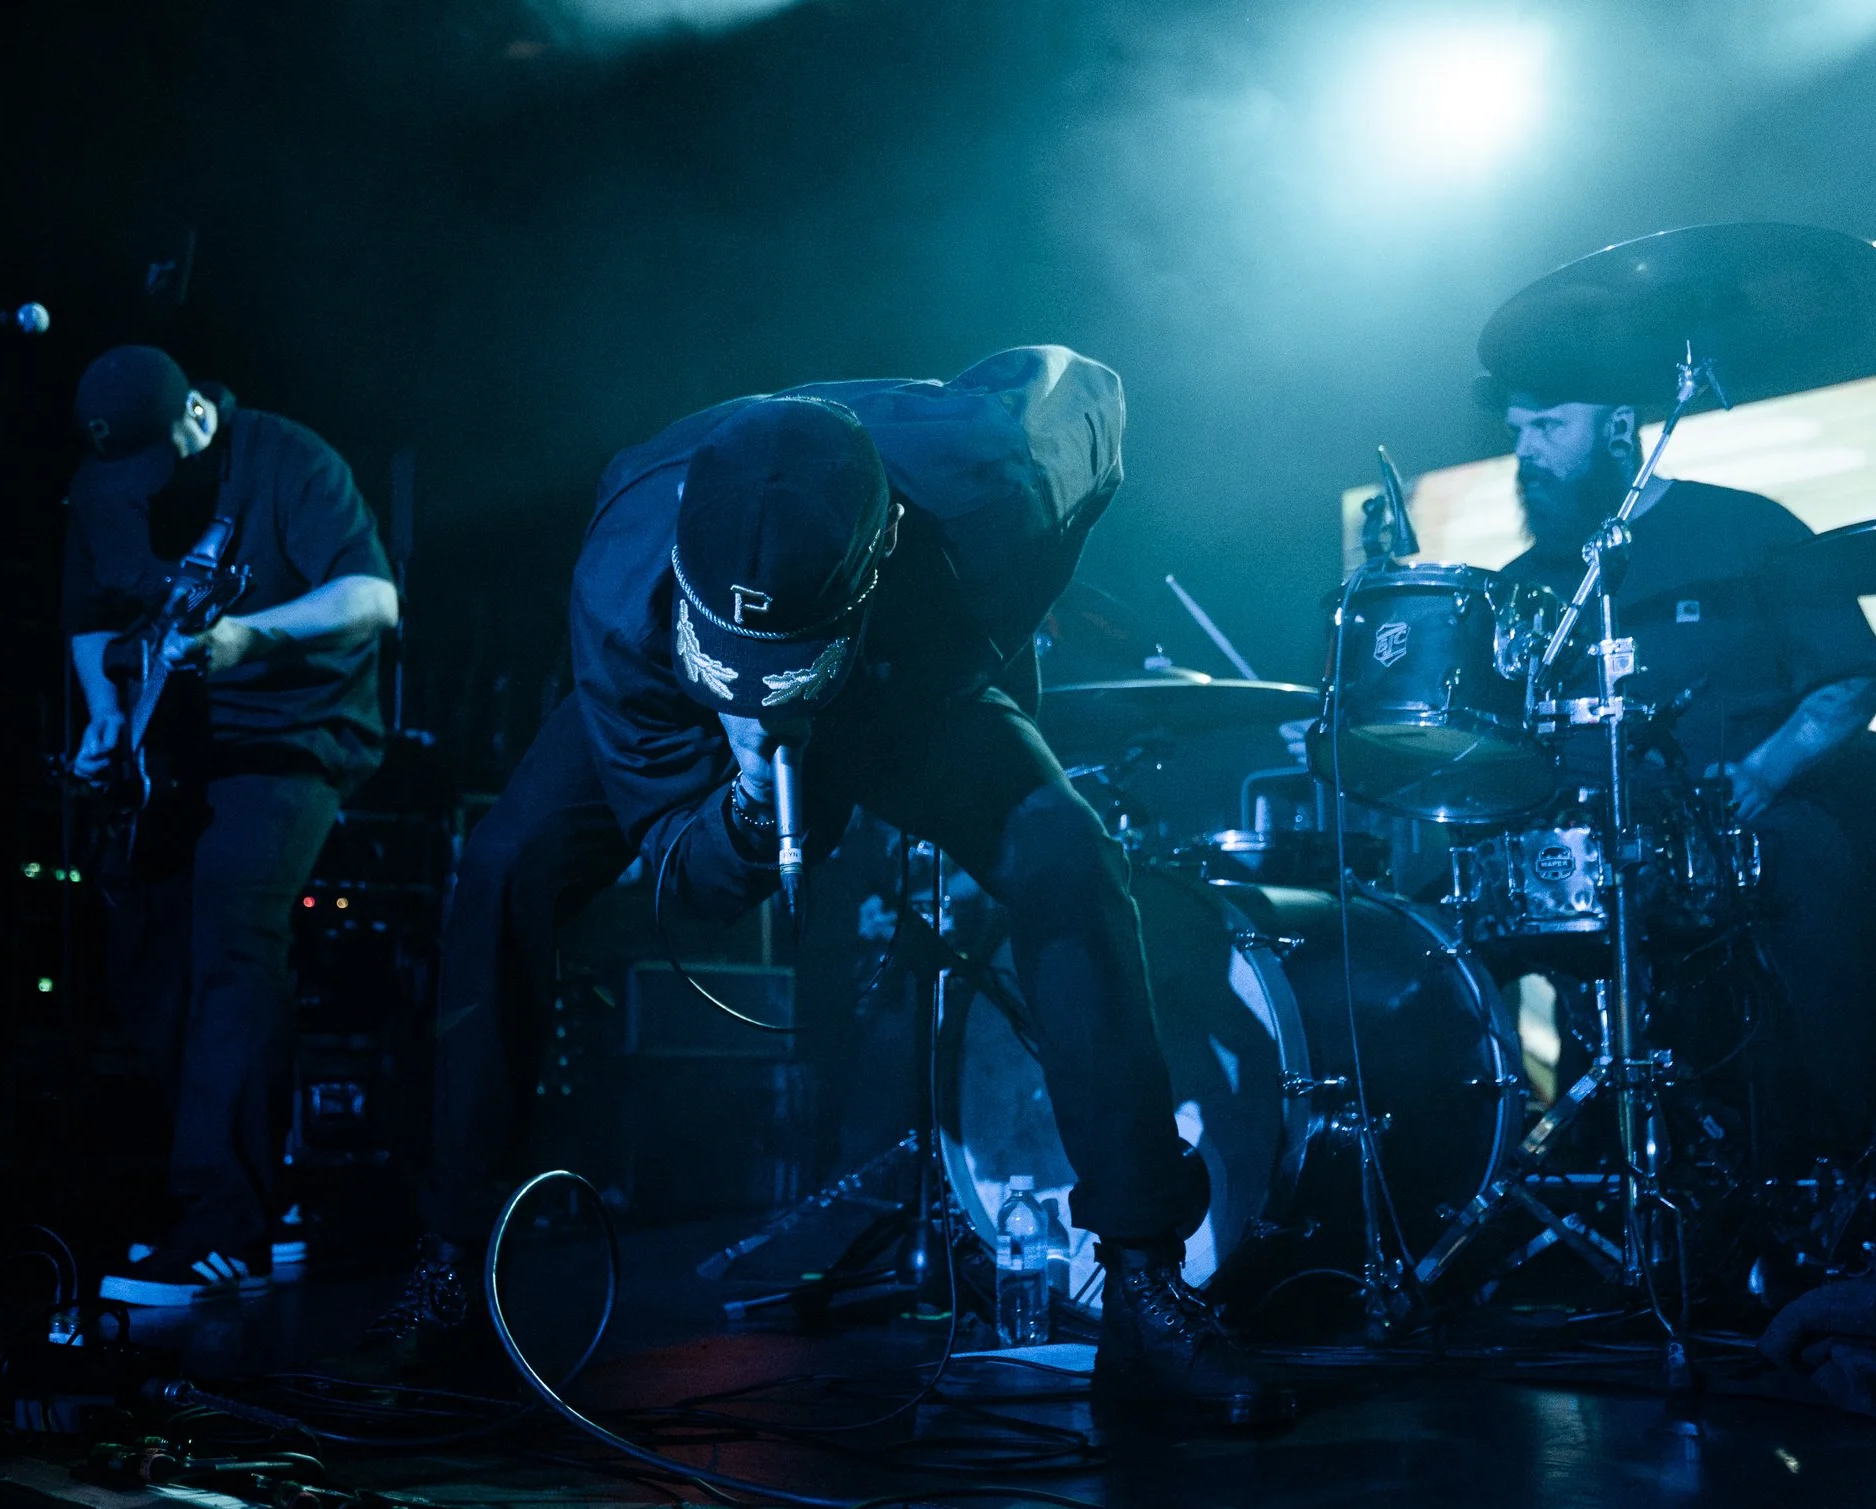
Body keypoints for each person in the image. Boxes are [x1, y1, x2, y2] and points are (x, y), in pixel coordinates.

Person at [403, 346, 1275, 1420]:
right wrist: (742, 805)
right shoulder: (624, 591)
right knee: (503, 864)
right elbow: (695, 883)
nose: (760, 710)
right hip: (692, 700)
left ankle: (1145, 1282)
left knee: (1068, 855)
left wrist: (991, 646)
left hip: (904, 674)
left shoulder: (1002, 482)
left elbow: (1090, 385)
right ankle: (448, 1266)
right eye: (739, 674)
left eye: (781, 683)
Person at [61, 345, 400, 1304]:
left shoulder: (290, 461)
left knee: (233, 931)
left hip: (299, 736)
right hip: (176, 744)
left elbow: (375, 599)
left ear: (200, 416)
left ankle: (225, 1225)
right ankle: (267, 1187)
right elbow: (90, 610)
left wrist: (256, 635)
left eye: (157, 466)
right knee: (142, 954)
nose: (141, 490)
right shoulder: (105, 482)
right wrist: (105, 717)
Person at [1496, 391, 1876, 1169]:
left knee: (1809, 879)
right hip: (1587, 858)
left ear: (1618, 426)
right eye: (1516, 432)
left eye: (1548, 427)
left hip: (1750, 828)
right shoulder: (1524, 588)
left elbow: (1852, 679)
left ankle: (1843, 1188)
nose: (1526, 451)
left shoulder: (1745, 530)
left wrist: (1762, 771)